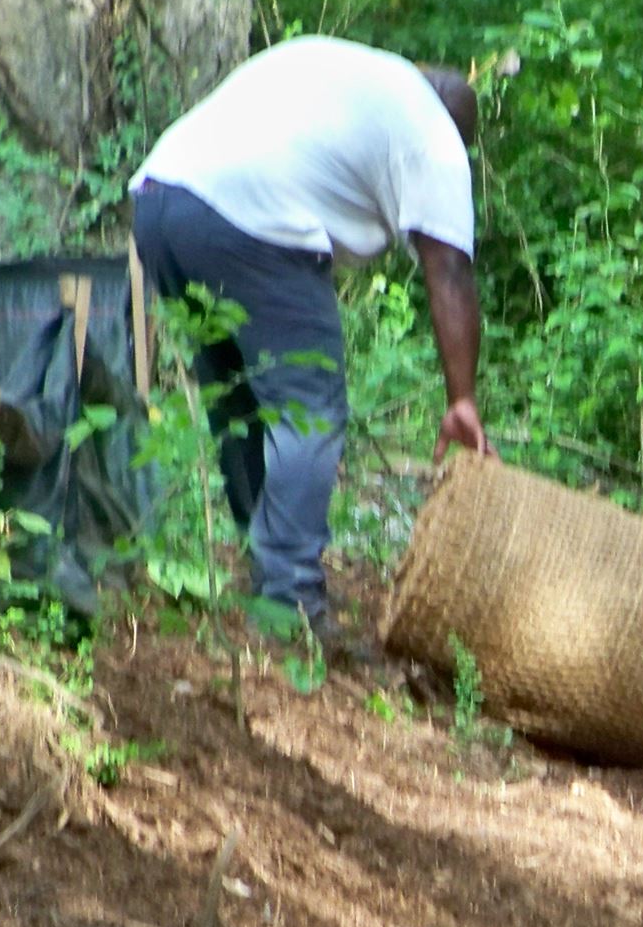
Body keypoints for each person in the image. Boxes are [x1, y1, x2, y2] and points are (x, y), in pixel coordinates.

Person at [130, 36, 493, 636]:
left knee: (242, 401)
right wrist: (461, 400)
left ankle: (267, 582)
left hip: (162, 204)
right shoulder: (433, 138)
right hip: (251, 220)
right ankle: (289, 600)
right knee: (310, 409)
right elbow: (448, 267)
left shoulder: (362, 76)